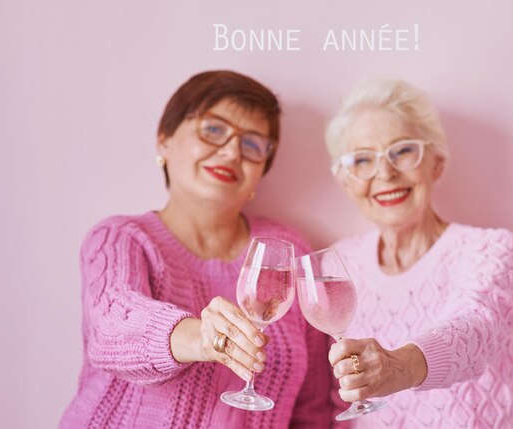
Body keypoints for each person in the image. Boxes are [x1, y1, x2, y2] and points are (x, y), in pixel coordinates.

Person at [60, 70, 331, 429]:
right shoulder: (121, 238)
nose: (232, 151)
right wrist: (202, 338)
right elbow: (112, 329)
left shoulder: (286, 252)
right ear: (164, 140)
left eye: (252, 144)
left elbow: (312, 407)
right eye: (213, 129)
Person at [324, 78, 513, 428]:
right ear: (346, 182)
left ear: (436, 163)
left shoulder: (489, 250)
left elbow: (475, 328)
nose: (385, 173)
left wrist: (399, 367)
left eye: (402, 151)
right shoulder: (337, 264)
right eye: (362, 160)